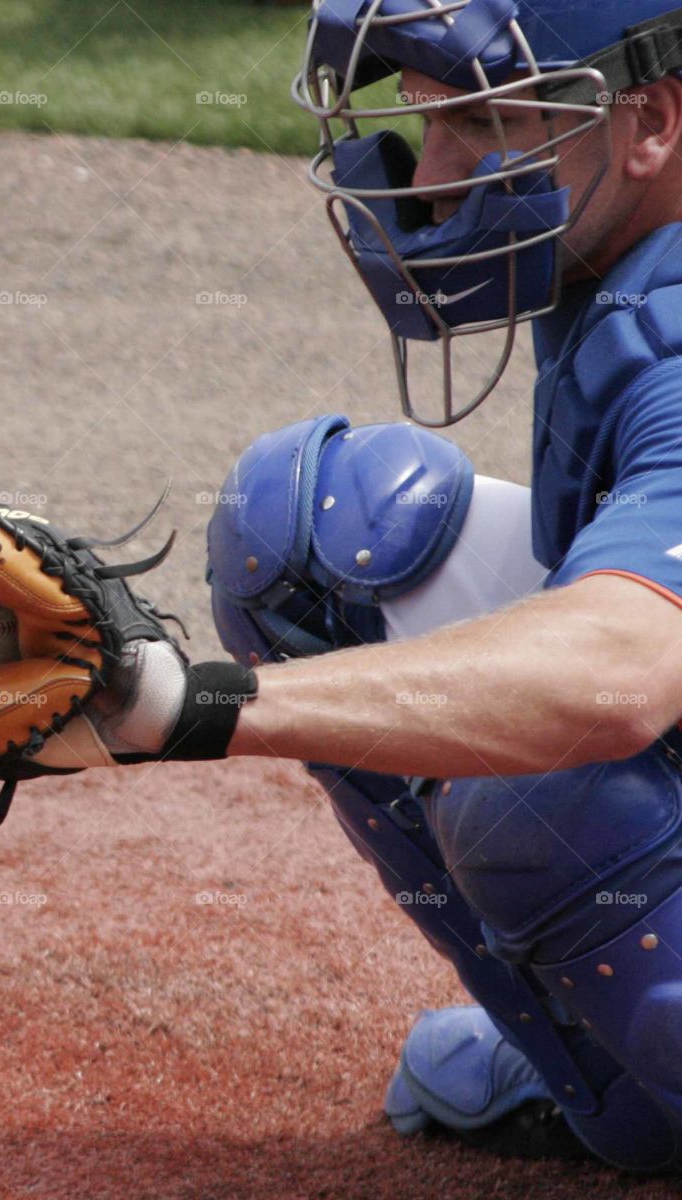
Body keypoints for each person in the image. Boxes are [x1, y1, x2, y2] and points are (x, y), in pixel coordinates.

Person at [93, 0, 682, 1173]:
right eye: (426, 121)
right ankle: (614, 1070)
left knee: (554, 783)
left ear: (650, 122)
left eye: (489, 126)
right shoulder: (631, 269)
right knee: (310, 534)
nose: (433, 178)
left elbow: (620, 670)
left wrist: (191, 708)